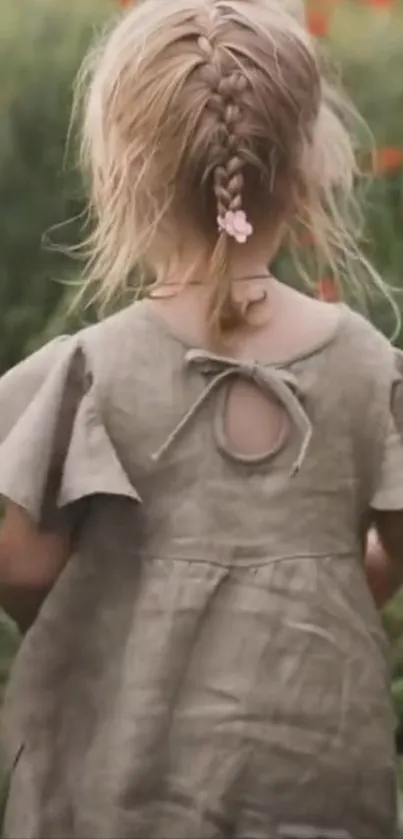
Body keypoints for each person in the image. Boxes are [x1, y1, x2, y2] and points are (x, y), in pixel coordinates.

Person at [0, 0, 402, 835]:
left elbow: (24, 565)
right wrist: (314, 575)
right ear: (304, 173)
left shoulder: (89, 373)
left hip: (125, 772)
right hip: (319, 769)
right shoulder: (368, 365)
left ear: (123, 178)